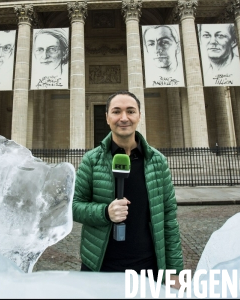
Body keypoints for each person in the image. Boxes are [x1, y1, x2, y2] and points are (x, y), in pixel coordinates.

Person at [72, 91, 183, 287]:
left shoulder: (158, 162)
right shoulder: (91, 160)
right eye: (116, 111)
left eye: (130, 111)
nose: (124, 118)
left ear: (139, 115)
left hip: (147, 267)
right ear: (107, 117)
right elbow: (74, 206)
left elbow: (168, 218)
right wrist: (105, 212)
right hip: (100, 265)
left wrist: (175, 272)